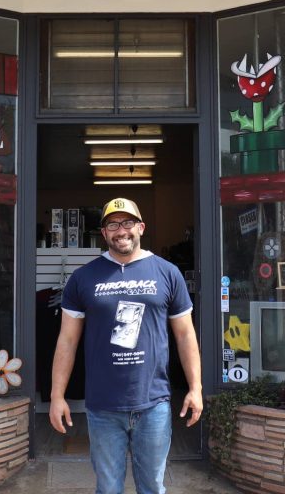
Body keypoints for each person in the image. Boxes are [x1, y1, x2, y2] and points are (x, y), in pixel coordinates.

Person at [49, 197, 202, 494]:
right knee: (108, 489)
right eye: (113, 224)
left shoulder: (167, 273)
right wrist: (57, 396)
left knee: (153, 487)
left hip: (153, 402)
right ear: (104, 233)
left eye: (128, 222)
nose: (122, 231)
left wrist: (195, 388)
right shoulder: (83, 278)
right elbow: (67, 340)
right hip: (103, 406)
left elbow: (185, 335)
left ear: (141, 227)